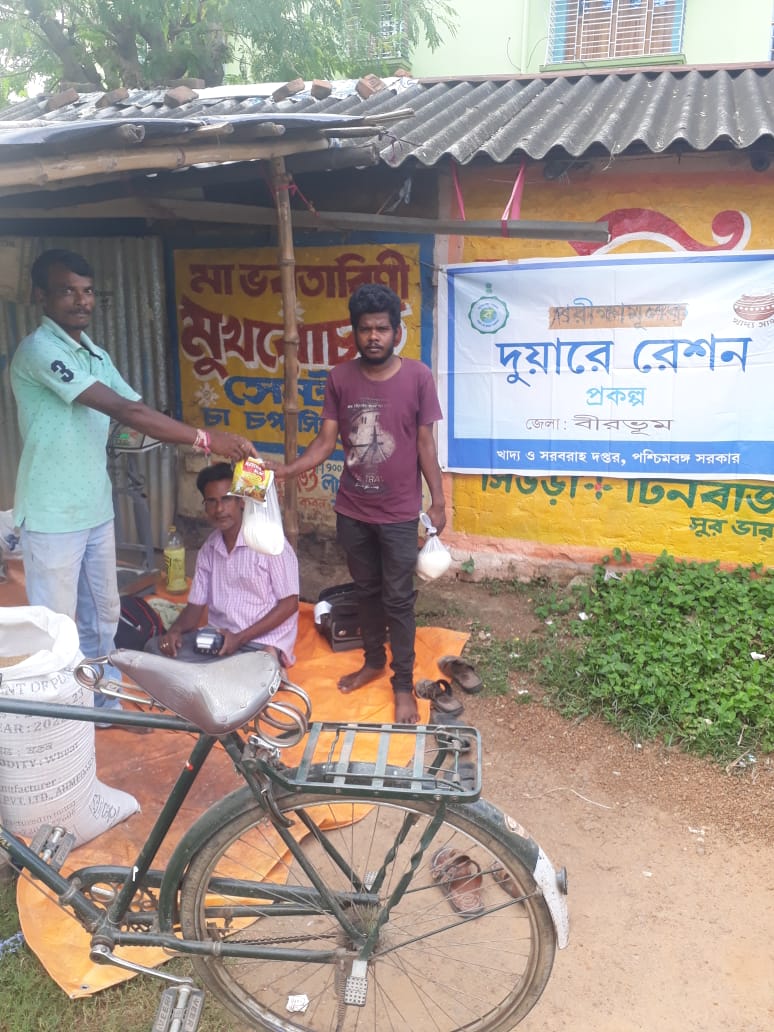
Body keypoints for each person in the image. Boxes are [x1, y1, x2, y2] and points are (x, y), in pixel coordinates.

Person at [10, 249, 258, 719]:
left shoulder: (94, 355)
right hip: (51, 512)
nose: (81, 301)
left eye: (87, 292)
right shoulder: (39, 350)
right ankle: (64, 717)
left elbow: (138, 412)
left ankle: (103, 700)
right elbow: (126, 412)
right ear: (41, 295)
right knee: (57, 629)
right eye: (67, 291)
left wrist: (214, 446)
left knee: (102, 615)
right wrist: (208, 439)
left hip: (95, 509)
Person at [272, 283, 446, 724]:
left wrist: (439, 500)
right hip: (352, 510)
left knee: (399, 598)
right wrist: (290, 470)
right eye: (365, 329)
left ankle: (402, 684)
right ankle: (372, 660)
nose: (374, 337)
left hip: (400, 514)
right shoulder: (339, 378)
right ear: (354, 332)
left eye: (382, 329)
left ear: (396, 332)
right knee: (367, 592)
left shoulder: (418, 378)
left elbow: (425, 445)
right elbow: (326, 440)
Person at [146, 463, 299, 669]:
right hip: (221, 640)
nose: (219, 509)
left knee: (245, 669)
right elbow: (195, 608)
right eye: (212, 501)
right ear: (205, 506)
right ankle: (239, 670)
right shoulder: (209, 550)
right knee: (154, 649)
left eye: (226, 499)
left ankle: (264, 662)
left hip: (262, 639)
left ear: (241, 502)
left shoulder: (269, 543)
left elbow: (290, 605)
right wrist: (174, 631)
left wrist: (241, 638)